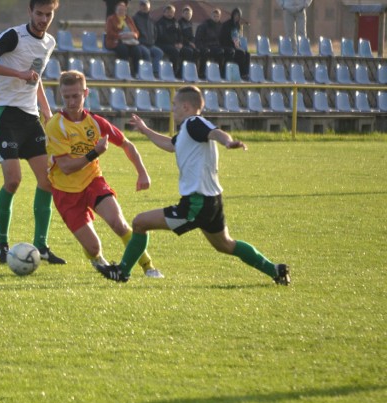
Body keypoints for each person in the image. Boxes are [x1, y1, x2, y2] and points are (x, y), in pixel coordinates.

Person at [96, 85, 291, 286]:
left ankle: (122, 271)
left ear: (186, 107)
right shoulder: (187, 132)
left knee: (139, 222)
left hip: (196, 202)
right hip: (211, 201)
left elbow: (215, 133)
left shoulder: (194, 122)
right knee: (225, 244)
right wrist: (145, 130)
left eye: (175, 105)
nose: (172, 109)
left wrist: (228, 142)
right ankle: (275, 270)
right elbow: (170, 145)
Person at [45, 70, 164, 278]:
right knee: (93, 247)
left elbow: (126, 144)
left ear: (86, 93)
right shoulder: (56, 125)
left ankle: (149, 267)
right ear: (61, 95)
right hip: (66, 192)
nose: (72, 102)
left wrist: (142, 172)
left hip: (93, 181)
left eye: (76, 96)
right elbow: (66, 167)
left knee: (119, 224)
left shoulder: (96, 122)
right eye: (67, 97)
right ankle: (99, 262)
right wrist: (94, 153)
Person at [0, 0, 66, 265]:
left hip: (30, 117)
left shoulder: (49, 42)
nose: (43, 19)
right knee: (13, 181)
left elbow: (34, 78)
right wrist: (18, 73)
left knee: (48, 180)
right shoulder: (14, 36)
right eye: (39, 13)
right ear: (30, 12)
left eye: (48, 14)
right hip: (4, 115)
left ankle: (42, 245)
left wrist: (46, 112)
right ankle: (0, 240)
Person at [104, 0, 149, 77]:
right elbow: (109, 32)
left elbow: (136, 32)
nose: (122, 11)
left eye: (123, 10)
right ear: (116, 10)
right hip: (115, 41)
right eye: (120, 10)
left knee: (137, 51)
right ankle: (123, 71)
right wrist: (121, 36)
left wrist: (134, 35)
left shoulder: (128, 19)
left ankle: (136, 72)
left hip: (129, 41)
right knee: (123, 50)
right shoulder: (111, 19)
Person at [132, 0, 163, 78]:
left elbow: (155, 32)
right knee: (147, 53)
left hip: (151, 44)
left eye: (145, 5)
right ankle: (147, 73)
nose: (144, 7)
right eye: (142, 5)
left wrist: (153, 40)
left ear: (149, 7)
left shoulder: (151, 19)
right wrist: (138, 41)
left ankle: (155, 72)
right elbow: (133, 31)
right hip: (140, 44)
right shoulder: (135, 18)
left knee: (159, 53)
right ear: (139, 7)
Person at [219, 7, 250, 80]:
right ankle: (242, 73)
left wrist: (238, 44)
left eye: (238, 16)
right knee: (241, 53)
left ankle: (245, 73)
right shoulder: (227, 24)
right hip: (226, 45)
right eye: (235, 15)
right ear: (233, 15)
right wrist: (234, 45)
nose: (237, 17)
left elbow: (237, 37)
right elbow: (224, 38)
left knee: (247, 54)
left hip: (235, 45)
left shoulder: (238, 25)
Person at [194, 8, 226, 79]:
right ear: (211, 16)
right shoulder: (204, 25)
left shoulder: (221, 26)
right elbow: (198, 39)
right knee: (205, 52)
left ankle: (219, 73)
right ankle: (201, 73)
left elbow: (222, 39)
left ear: (220, 17)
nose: (216, 18)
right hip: (205, 45)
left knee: (221, 52)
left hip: (215, 46)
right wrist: (202, 46)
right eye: (214, 16)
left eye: (217, 16)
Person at [155, 4, 183, 78]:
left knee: (187, 51)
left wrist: (180, 43)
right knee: (174, 52)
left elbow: (180, 34)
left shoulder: (176, 23)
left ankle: (182, 72)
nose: (170, 14)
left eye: (171, 12)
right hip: (162, 44)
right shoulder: (160, 23)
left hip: (175, 44)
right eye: (168, 12)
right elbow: (162, 36)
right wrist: (174, 44)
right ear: (164, 13)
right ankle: (174, 72)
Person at [178, 5, 200, 73]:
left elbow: (192, 36)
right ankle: (184, 71)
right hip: (182, 44)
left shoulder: (190, 23)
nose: (188, 15)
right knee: (188, 52)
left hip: (189, 44)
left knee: (197, 51)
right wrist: (189, 43)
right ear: (182, 14)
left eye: (189, 14)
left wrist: (193, 42)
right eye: (186, 13)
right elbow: (180, 36)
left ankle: (194, 71)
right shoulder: (179, 23)